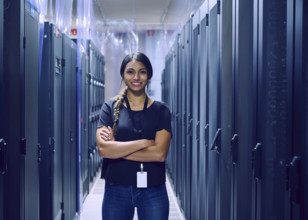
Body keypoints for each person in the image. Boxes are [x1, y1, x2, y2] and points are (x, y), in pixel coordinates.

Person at [96, 52, 172, 220]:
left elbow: (159, 154)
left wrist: (117, 149)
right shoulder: (109, 108)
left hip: (153, 190)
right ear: (123, 75)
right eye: (130, 71)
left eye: (142, 71)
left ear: (149, 75)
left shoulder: (161, 110)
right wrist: (144, 142)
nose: (136, 77)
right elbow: (103, 150)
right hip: (117, 189)